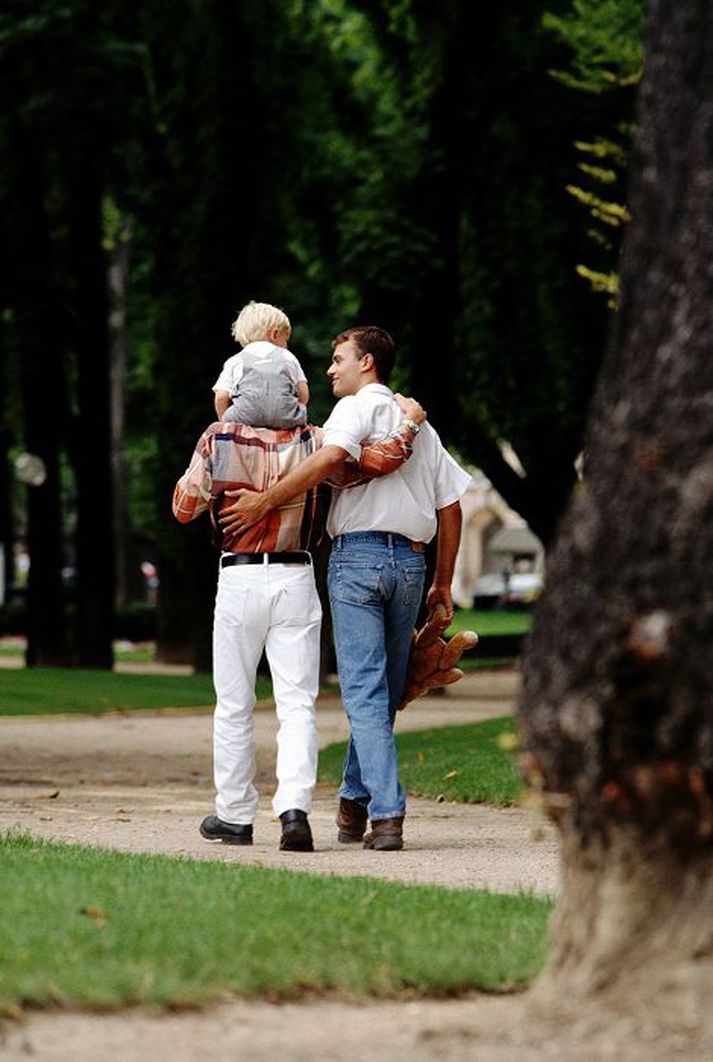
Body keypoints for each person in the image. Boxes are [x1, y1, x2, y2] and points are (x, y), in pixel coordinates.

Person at [219, 326, 471, 851]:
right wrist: (442, 582)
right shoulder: (419, 427)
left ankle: (387, 813)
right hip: (410, 566)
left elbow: (330, 460)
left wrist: (265, 502)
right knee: (383, 695)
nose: (330, 369)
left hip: (357, 560)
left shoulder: (354, 410)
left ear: (368, 364)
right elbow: (450, 506)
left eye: (338, 360)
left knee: (365, 692)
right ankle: (354, 804)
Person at [172, 388, 425, 853]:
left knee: (233, 704)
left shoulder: (218, 438)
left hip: (239, 577)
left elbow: (184, 508)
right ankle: (294, 813)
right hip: (296, 575)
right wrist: (408, 423)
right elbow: (373, 465)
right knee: (296, 704)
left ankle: (234, 816)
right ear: (296, 391)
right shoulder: (315, 439)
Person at [213, 300, 310, 429]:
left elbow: (221, 397)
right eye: (285, 339)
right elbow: (303, 392)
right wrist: (294, 410)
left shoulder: (235, 360)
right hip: (287, 418)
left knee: (223, 423)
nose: (286, 345)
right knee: (302, 415)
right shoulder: (287, 356)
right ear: (274, 334)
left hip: (243, 419)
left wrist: (224, 423)